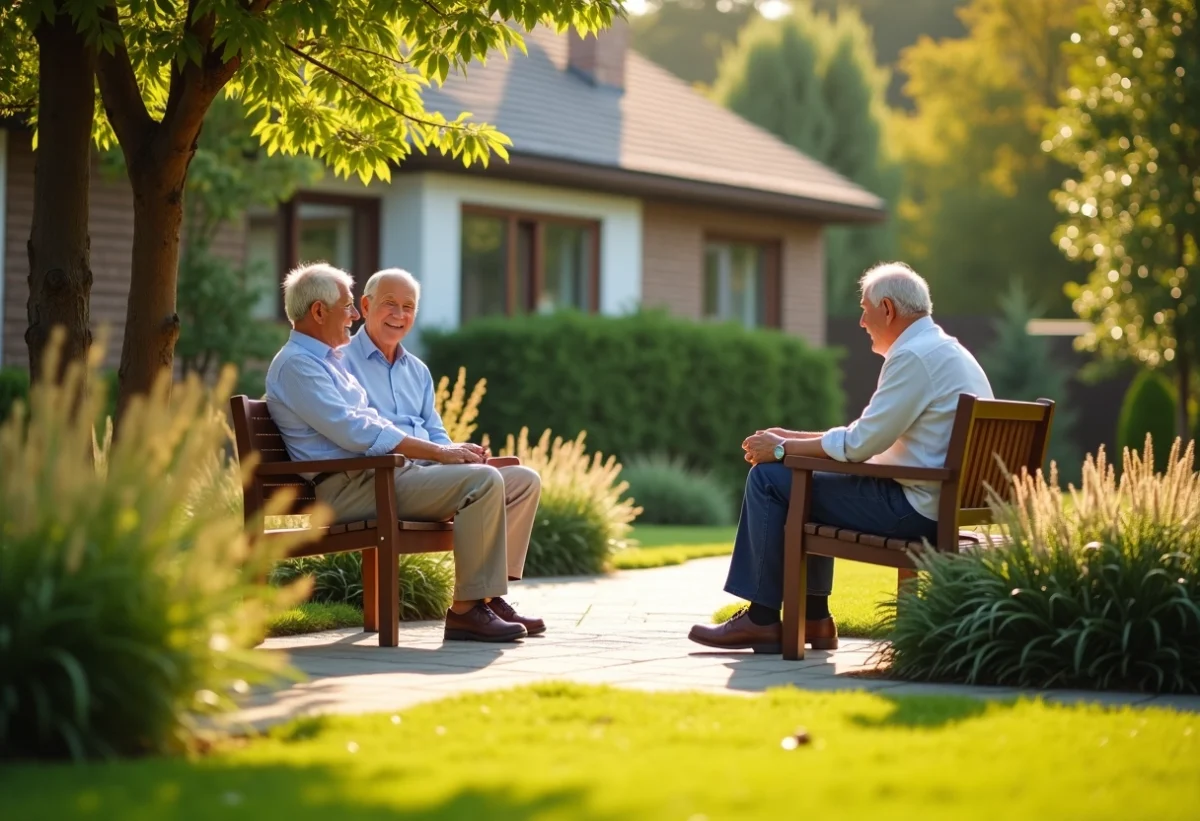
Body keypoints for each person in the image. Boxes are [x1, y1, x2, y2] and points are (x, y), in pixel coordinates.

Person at [688, 262, 994, 654]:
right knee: (807, 479)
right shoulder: (945, 351)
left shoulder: (913, 357)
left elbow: (858, 445)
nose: (862, 322)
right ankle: (815, 618)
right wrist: (793, 438)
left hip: (916, 511)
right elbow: (869, 437)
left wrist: (781, 450)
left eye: (865, 309)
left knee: (770, 479)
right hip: (941, 504)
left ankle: (762, 620)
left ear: (887, 309)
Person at [264, 263, 544, 643]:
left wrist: (452, 452)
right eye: (349, 307)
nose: (353, 316)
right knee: (482, 481)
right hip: (354, 487)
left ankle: (488, 599)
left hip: (386, 476)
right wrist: (439, 454)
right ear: (318, 311)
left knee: (520, 480)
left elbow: (367, 422)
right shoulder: (301, 365)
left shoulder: (325, 362)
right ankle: (466, 611)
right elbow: (356, 429)